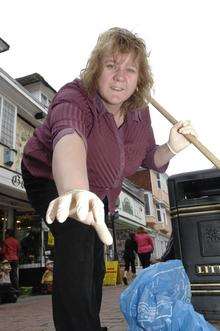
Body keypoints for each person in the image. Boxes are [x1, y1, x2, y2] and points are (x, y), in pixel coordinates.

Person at [21, 27, 197, 331]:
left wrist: (170, 148)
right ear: (96, 68)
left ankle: (90, 323)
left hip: (101, 188)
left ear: (139, 78)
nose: (120, 76)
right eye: (112, 65)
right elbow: (68, 135)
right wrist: (75, 191)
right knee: (77, 236)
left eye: (130, 69)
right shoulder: (75, 96)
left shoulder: (140, 113)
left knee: (96, 261)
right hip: (51, 175)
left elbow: (148, 157)